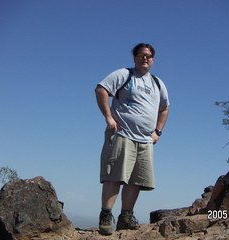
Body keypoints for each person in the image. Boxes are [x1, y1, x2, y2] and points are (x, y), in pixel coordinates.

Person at [95, 43, 170, 235]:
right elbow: (101, 89)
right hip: (122, 134)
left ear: (153, 59)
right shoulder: (124, 74)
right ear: (134, 57)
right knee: (114, 176)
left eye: (148, 55)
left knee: (135, 180)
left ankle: (125, 217)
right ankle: (106, 216)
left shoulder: (158, 83)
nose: (144, 58)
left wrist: (158, 132)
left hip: (145, 140)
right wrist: (109, 117)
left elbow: (164, 108)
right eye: (140, 55)